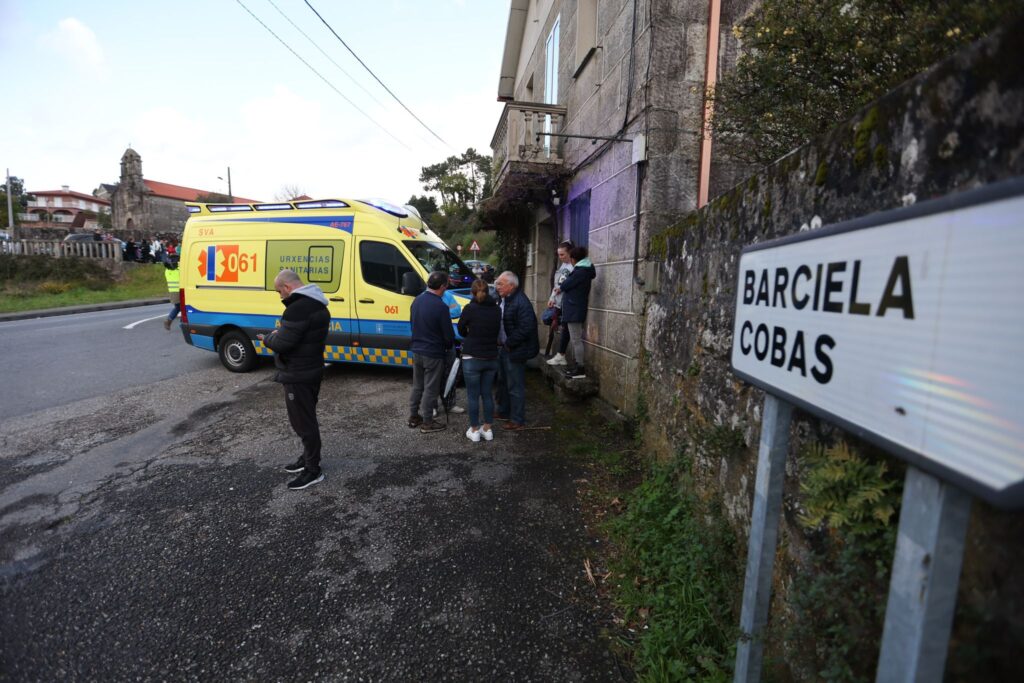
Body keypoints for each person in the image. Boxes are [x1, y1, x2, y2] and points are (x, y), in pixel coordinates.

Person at [257, 269, 330, 490]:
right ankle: (307, 458)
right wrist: (281, 334)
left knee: (303, 422)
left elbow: (283, 344)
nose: (280, 296)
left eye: (279, 291)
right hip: (312, 369)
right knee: (306, 417)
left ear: (287, 287)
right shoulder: (319, 304)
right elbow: (298, 336)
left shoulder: (296, 310)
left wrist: (268, 338)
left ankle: (313, 469)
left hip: (298, 373)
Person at [408, 271, 455, 433]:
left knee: (417, 386)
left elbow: (412, 324)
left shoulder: (416, 301)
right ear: (442, 286)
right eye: (446, 285)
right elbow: (448, 336)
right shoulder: (441, 306)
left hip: (417, 350)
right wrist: (449, 347)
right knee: (430, 389)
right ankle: (428, 423)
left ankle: (414, 417)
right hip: (433, 353)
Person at [493, 271, 540, 430]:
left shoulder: (521, 302)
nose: (497, 286)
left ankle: (518, 420)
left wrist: (509, 342)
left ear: (511, 286)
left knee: (515, 386)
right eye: (497, 283)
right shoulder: (505, 298)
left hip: (515, 349)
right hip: (505, 348)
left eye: (501, 284)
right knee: (503, 382)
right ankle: (504, 411)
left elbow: (527, 327)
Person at [457, 278, 501, 442]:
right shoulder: (497, 310)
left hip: (472, 357)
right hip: (491, 356)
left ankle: (474, 430)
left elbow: (461, 329)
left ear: (472, 293)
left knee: (473, 396)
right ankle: (487, 429)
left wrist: (471, 334)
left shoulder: (470, 308)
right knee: (487, 394)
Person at [555, 246, 597, 379]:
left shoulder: (580, 271)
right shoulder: (583, 270)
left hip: (574, 310)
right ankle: (577, 367)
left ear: (573, 259)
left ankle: (580, 369)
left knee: (576, 340)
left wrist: (560, 288)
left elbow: (566, 285)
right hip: (575, 308)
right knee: (575, 340)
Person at [545, 241, 574, 366]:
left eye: (562, 254)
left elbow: (563, 287)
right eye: (559, 255)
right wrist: (552, 298)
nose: (560, 257)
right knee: (559, 327)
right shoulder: (563, 266)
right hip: (558, 302)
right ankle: (560, 354)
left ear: (570, 253)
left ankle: (562, 355)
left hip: (566, 303)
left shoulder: (572, 268)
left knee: (567, 330)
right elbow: (557, 285)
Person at [162, 255, 181, 331]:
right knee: (184, 308)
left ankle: (169, 320)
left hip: (172, 292)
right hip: (180, 292)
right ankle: (182, 325)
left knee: (178, 307)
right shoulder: (178, 270)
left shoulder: (167, 271)